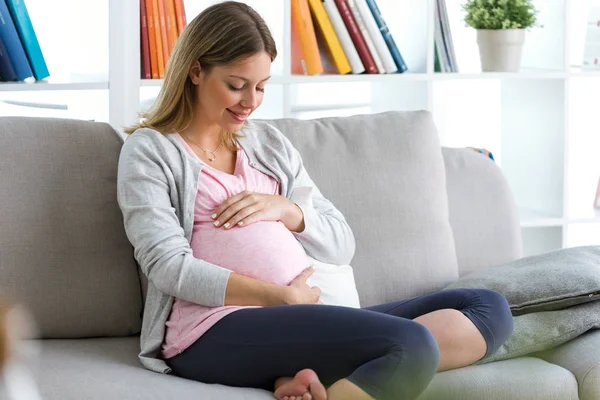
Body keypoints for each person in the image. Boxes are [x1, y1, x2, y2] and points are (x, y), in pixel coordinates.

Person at [117, 2, 514, 399]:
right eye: (236, 85)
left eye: (261, 86)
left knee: (489, 309)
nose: (251, 102)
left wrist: (288, 211)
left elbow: (341, 244)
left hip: (306, 315)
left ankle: (310, 373)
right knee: (412, 344)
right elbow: (167, 266)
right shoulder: (152, 151)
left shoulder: (267, 144)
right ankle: (350, 368)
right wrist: (279, 297)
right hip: (213, 329)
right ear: (196, 70)